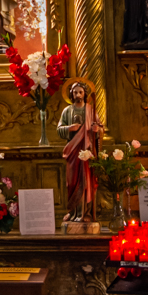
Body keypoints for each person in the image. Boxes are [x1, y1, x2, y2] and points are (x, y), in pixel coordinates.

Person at [57, 79, 103, 221]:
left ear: (84, 94)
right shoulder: (67, 111)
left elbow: (100, 128)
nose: (78, 94)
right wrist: (70, 128)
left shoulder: (90, 109)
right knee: (72, 182)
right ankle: (72, 212)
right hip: (72, 151)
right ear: (71, 94)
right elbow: (59, 129)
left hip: (87, 151)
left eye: (80, 92)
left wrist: (97, 130)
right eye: (75, 92)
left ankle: (87, 213)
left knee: (86, 181)